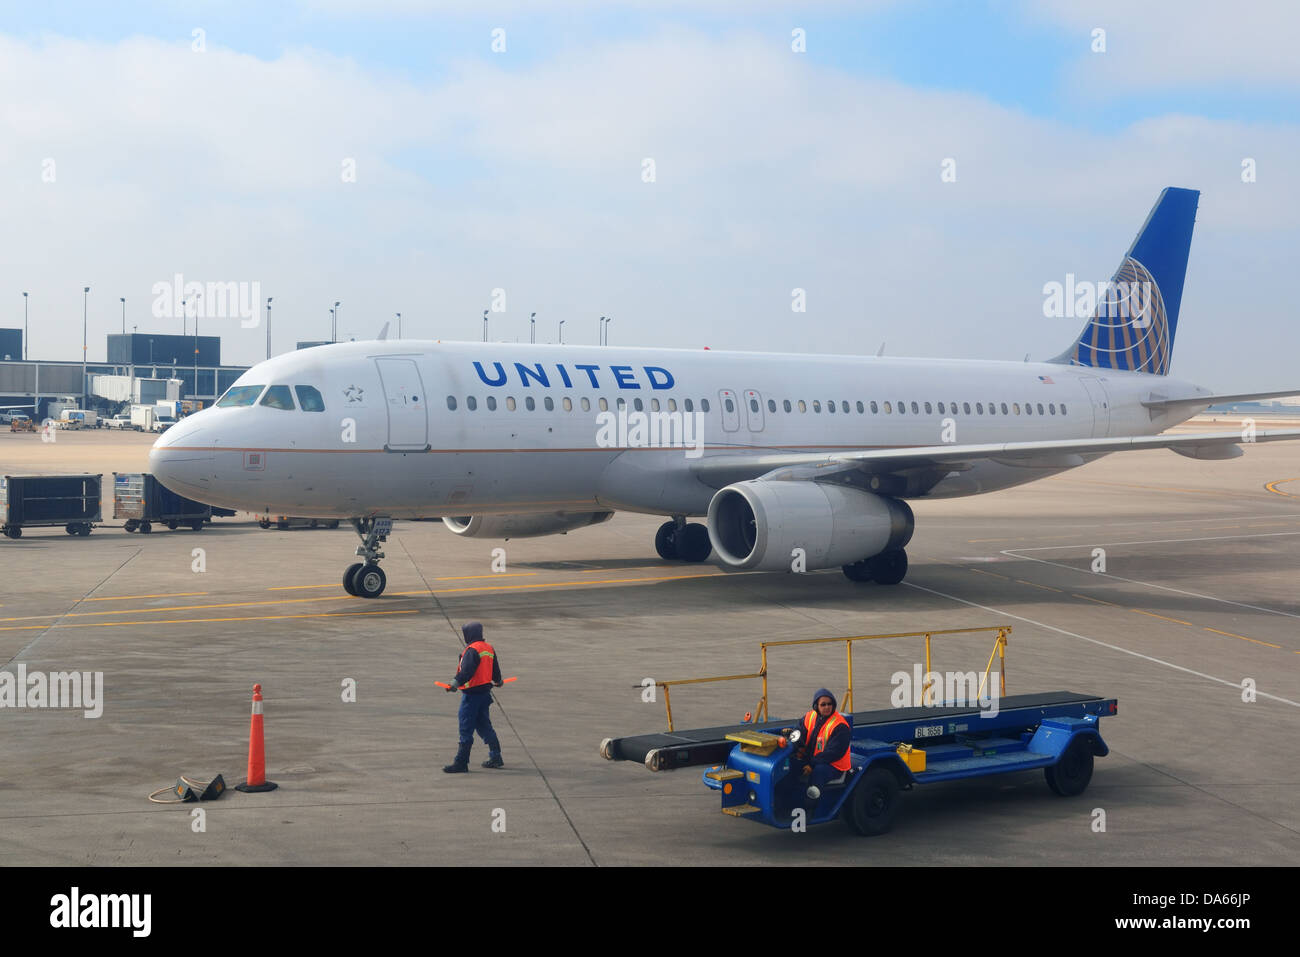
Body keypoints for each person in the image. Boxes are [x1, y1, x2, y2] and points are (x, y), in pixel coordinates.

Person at [442, 622, 505, 773]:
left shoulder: (472, 650)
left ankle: (461, 762)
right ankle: (496, 756)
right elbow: (495, 669)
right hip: (484, 694)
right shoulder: (488, 648)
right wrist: (498, 681)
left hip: (472, 695)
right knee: (483, 724)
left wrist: (454, 684)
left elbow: (467, 671)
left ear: (469, 634)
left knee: (466, 727)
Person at [789, 688, 851, 805]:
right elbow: (799, 731)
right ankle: (789, 797)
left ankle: (811, 804)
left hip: (833, 765)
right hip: (813, 758)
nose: (827, 707)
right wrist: (795, 747)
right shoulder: (809, 716)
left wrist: (812, 764)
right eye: (823, 705)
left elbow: (833, 753)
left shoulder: (840, 725)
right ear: (816, 706)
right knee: (789, 764)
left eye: (829, 704)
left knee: (818, 772)